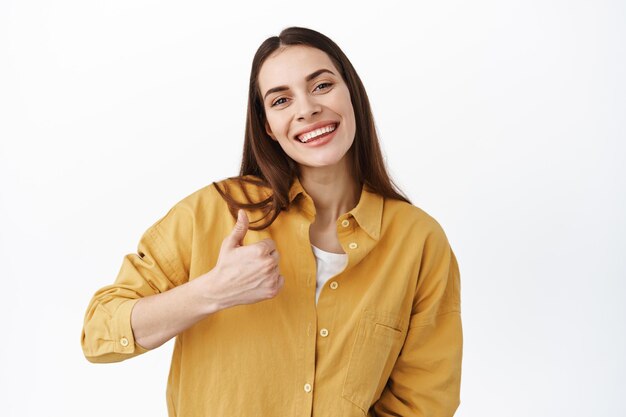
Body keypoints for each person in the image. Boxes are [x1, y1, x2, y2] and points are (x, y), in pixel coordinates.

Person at [81, 26, 463, 417]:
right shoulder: (214, 213)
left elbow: (423, 403)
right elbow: (99, 333)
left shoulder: (418, 241)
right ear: (267, 125)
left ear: (352, 93)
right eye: (281, 100)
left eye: (322, 86)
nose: (306, 109)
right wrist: (212, 291)